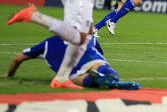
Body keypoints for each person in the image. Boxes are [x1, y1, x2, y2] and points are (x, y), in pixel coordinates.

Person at [1, 36, 140, 90]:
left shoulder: (48, 43)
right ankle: (110, 77)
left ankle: (95, 79)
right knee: (101, 65)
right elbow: (100, 53)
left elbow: (17, 58)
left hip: (70, 68)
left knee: (76, 75)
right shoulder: (87, 35)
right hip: (91, 58)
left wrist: (9, 74)